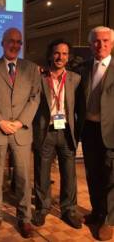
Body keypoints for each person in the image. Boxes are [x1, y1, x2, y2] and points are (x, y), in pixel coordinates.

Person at [0, 27, 41, 238]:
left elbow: (35, 98)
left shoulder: (31, 69)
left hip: (21, 131)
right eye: (11, 41)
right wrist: (0, 122)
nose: (15, 45)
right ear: (2, 43)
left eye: (18, 42)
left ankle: (25, 219)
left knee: (23, 178)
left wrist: (20, 122)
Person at [32, 39, 82, 229]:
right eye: (57, 53)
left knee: (69, 173)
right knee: (42, 172)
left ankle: (68, 209)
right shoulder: (39, 77)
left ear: (68, 57)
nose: (60, 57)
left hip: (66, 132)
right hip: (45, 131)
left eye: (64, 54)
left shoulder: (75, 79)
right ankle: (42, 208)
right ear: (50, 55)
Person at [76, 26, 114, 241]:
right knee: (92, 174)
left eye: (105, 41)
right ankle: (97, 212)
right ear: (90, 44)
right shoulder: (83, 68)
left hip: (111, 131)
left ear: (112, 43)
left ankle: (109, 220)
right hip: (89, 130)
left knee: (111, 176)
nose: (101, 45)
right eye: (96, 41)